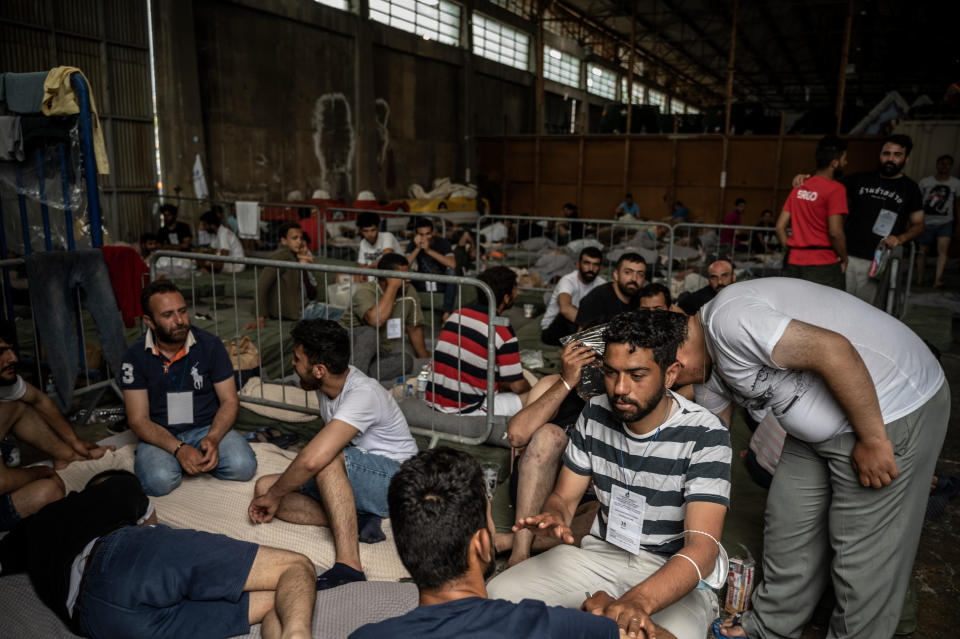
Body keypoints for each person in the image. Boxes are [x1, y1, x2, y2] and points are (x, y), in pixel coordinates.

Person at [669, 278, 948, 639]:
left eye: (671, 379)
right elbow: (716, 443)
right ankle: (769, 628)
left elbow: (835, 351)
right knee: (787, 522)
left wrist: (875, 439)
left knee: (861, 554)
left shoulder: (730, 321)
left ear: (676, 362)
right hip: (813, 429)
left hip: (887, 408)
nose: (676, 387)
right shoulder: (706, 368)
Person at [487, 311, 731, 639]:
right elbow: (565, 496)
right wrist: (555, 513)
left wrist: (633, 604)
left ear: (670, 374)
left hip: (670, 571)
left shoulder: (706, 432)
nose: (619, 388)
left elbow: (702, 548)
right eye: (611, 372)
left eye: (637, 375)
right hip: (601, 555)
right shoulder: (595, 412)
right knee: (498, 595)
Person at [0, 469, 315, 639]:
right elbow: (150, 526)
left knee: (279, 599)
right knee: (297, 567)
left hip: (97, 622)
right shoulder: (115, 488)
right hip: (120, 558)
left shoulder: (31, 529)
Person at [349, 448, 619, 639]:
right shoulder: (549, 625)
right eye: (489, 519)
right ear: (480, 543)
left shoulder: (366, 635)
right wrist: (606, 617)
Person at [249, 319, 418, 591]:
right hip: (357, 474)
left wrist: (275, 496)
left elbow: (315, 458)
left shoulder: (363, 393)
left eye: (297, 359)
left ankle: (349, 566)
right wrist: (272, 493)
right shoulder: (325, 388)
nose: (292, 363)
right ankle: (359, 519)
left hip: (398, 480)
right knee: (264, 486)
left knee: (322, 460)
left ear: (319, 370)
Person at [121, 279, 257, 496]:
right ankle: (182, 461)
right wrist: (179, 449)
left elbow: (230, 401)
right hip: (161, 433)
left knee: (243, 466)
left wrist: (213, 438)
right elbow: (138, 420)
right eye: (167, 315)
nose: (179, 320)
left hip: (205, 427)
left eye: (182, 311)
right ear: (149, 321)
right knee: (158, 481)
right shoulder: (135, 356)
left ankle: (194, 461)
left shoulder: (210, 345)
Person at [0, 322, 112, 531]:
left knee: (16, 407)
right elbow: (3, 482)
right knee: (50, 490)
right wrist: (41, 471)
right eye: (1, 352)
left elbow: (40, 401)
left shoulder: (6, 383)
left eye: (10, 349)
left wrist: (73, 443)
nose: (13, 358)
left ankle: (68, 457)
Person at [501, 341, 599, 568]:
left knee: (610, 519)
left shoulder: (621, 395)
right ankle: (519, 553)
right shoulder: (554, 384)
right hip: (536, 490)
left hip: (585, 501)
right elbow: (516, 435)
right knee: (549, 435)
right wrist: (567, 381)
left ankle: (507, 541)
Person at [428, 266, 531, 417]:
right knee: (538, 397)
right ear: (506, 298)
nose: (517, 294)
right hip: (465, 408)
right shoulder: (502, 332)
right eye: (515, 290)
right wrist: (531, 388)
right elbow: (517, 386)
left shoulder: (457, 314)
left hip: (433, 400)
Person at [841, 134, 924, 303]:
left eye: (897, 155)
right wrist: (807, 178)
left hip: (877, 261)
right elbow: (826, 185)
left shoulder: (911, 188)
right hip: (846, 256)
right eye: (886, 153)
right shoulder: (859, 179)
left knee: (867, 311)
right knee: (838, 306)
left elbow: (918, 224)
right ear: (880, 155)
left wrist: (900, 238)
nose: (890, 159)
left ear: (906, 159)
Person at [340, 253, 429, 380]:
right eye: (403, 277)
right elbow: (375, 321)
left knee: (406, 361)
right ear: (386, 278)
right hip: (348, 348)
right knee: (370, 333)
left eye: (408, 274)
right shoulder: (365, 291)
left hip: (377, 354)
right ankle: (352, 382)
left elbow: (414, 329)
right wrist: (392, 286)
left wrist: (426, 360)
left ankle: (354, 378)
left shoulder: (409, 291)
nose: (409, 279)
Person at [776, 135, 848, 289]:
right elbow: (835, 231)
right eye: (844, 159)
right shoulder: (836, 189)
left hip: (793, 261)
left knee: (794, 308)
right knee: (827, 309)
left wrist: (790, 250)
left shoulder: (799, 187)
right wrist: (844, 258)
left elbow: (780, 227)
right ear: (835, 163)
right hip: (823, 263)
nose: (846, 163)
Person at [247, 222, 316, 329]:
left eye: (300, 238)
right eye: (294, 238)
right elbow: (262, 286)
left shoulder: (293, 254)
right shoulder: (281, 256)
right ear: (284, 241)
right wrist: (260, 317)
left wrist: (303, 260)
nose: (299, 241)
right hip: (298, 312)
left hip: (304, 307)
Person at [540, 247, 605, 346]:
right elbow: (565, 309)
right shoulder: (568, 280)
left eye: (595, 265)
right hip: (553, 330)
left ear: (601, 267)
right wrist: (592, 327)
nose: (591, 269)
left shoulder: (602, 284)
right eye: (586, 263)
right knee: (569, 312)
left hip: (581, 328)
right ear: (578, 264)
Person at [916, 154, 960, 287]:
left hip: (945, 222)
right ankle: (919, 279)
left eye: (948, 164)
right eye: (942, 163)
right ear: (937, 165)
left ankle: (937, 280)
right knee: (922, 251)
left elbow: (957, 204)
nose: (944, 166)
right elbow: (917, 203)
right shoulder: (925, 182)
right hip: (926, 221)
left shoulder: (956, 183)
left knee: (943, 252)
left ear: (951, 166)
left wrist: (958, 224)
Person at [574, 253, 646, 329]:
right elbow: (581, 339)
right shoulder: (596, 300)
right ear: (616, 275)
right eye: (628, 272)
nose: (634, 279)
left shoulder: (641, 299)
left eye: (640, 275)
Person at [405, 217, 457, 318]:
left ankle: (446, 313)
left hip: (440, 281)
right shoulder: (413, 244)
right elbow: (404, 266)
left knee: (452, 272)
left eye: (428, 234)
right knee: (407, 273)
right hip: (422, 282)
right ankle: (408, 314)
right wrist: (417, 248)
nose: (425, 238)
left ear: (432, 233)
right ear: (416, 235)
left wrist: (428, 251)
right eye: (421, 234)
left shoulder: (442, 242)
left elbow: (452, 264)